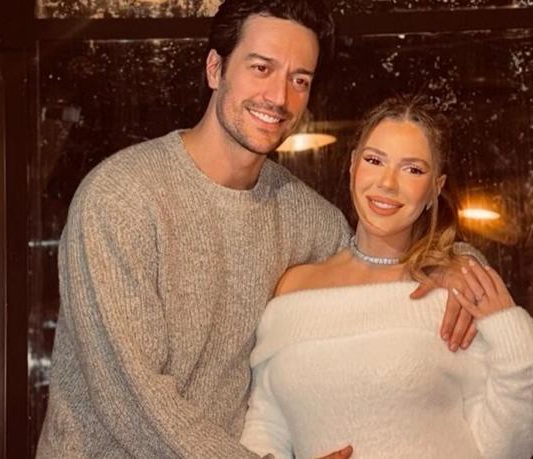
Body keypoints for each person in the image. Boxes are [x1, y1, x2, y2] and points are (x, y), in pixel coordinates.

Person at [36, 1, 487, 458]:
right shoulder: (120, 196)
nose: (279, 97)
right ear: (215, 69)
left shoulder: (307, 219)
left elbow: (378, 263)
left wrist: (456, 265)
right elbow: (130, 400)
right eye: (261, 68)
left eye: (299, 80)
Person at [240, 95, 533, 459]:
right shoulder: (293, 288)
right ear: (353, 167)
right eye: (374, 161)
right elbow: (266, 424)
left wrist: (513, 338)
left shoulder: (454, 292)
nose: (387, 183)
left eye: (413, 169)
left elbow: (507, 447)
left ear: (435, 188)